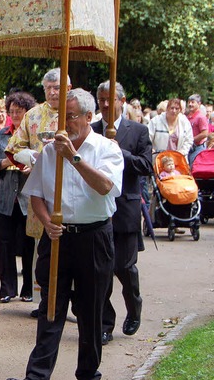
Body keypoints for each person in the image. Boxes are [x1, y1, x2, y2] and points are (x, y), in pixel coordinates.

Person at [7, 88, 123, 380]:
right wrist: (46, 222)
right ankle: (37, 375)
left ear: (88, 117)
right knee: (50, 308)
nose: (65, 123)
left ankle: (87, 373)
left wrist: (73, 158)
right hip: (58, 238)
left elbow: (105, 187)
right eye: (62, 116)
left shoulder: (107, 148)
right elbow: (36, 194)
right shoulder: (49, 152)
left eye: (71, 117)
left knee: (90, 310)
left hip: (94, 238)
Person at [5, 67, 71, 315]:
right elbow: (13, 148)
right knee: (43, 247)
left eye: (59, 88)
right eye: (49, 88)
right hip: (41, 188)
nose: (54, 92)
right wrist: (31, 159)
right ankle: (45, 301)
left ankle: (70, 303)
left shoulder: (74, 112)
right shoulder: (33, 116)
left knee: (71, 244)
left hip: (70, 188)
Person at [91, 81, 153, 346]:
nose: (105, 104)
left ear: (122, 101)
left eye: (110, 99)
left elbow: (146, 165)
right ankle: (105, 323)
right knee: (101, 270)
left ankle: (134, 306)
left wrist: (120, 152)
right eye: (101, 99)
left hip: (126, 208)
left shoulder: (137, 131)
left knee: (124, 267)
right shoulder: (91, 130)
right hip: (97, 209)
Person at [0, 91, 37, 303]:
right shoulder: (0, 136)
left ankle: (28, 288)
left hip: (27, 198)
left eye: (19, 111)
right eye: (12, 112)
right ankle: (6, 289)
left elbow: (43, 160)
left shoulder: (33, 136)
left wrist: (32, 167)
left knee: (27, 244)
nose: (15, 115)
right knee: (4, 244)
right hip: (4, 198)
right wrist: (5, 163)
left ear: (27, 112)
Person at [185, 94, 208, 165]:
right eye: (189, 102)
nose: (190, 104)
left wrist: (192, 139)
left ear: (199, 104)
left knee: (194, 167)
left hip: (198, 148)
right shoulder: (187, 117)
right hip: (189, 147)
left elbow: (205, 133)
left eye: (192, 102)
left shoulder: (200, 117)